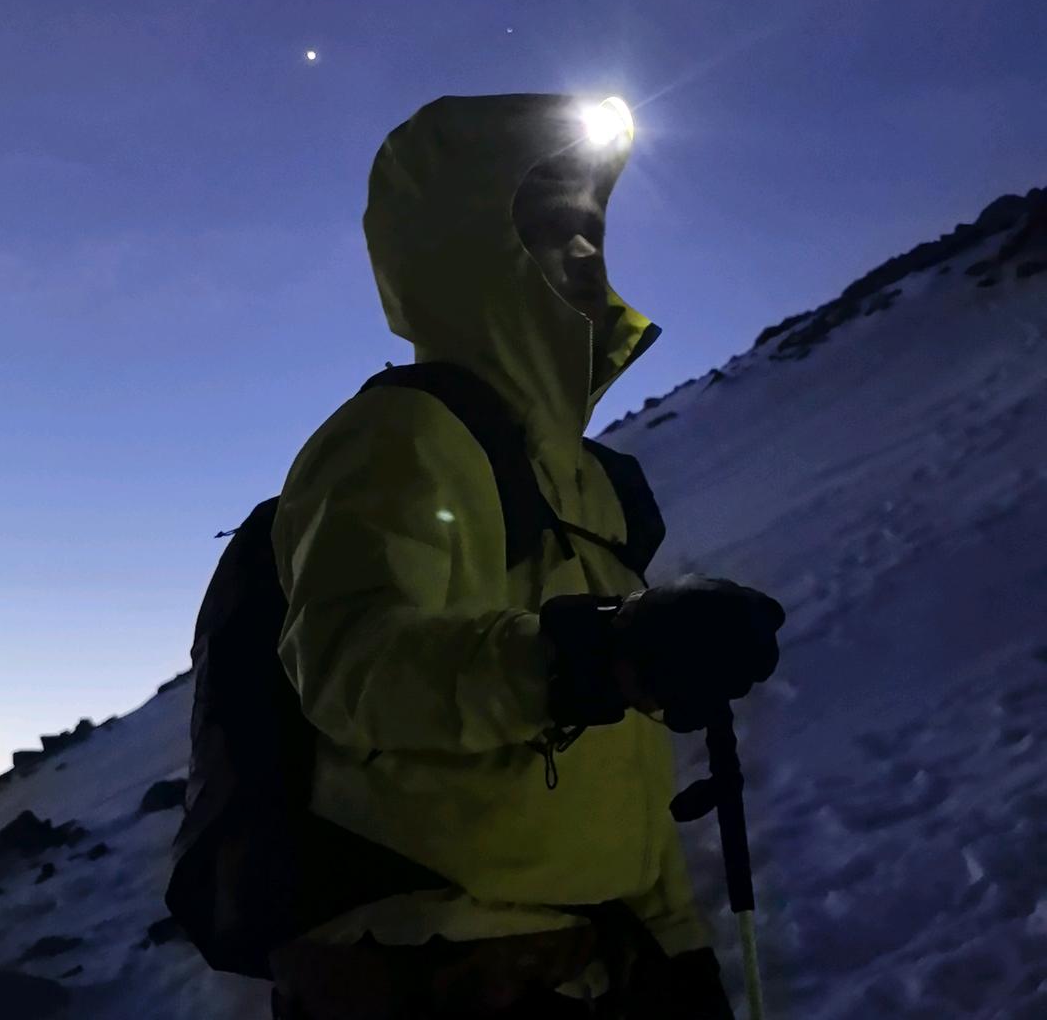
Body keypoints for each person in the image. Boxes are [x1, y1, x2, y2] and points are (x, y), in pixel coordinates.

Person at [267, 94, 784, 1019]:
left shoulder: (587, 479)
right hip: (433, 965)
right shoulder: (402, 435)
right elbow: (351, 666)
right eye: (545, 227)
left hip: (584, 956)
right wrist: (593, 654)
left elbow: (619, 760)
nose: (583, 248)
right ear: (465, 249)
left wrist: (677, 945)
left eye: (590, 225)